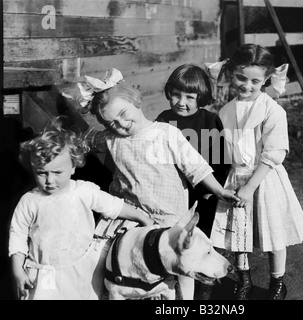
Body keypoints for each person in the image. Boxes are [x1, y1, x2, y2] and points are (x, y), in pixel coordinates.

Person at [75, 68, 239, 300]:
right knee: (107, 260)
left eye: (123, 113)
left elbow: (196, 167)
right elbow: (86, 141)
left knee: (180, 266)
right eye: (111, 122)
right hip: (130, 217)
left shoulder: (166, 133)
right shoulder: (111, 139)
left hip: (168, 215)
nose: (121, 123)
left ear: (135, 101)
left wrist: (220, 190)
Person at [209, 44, 303, 300]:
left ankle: (278, 282)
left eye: (255, 81)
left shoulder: (273, 110)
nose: (246, 85)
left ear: (266, 79)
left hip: (263, 179)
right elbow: (223, 149)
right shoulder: (225, 111)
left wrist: (250, 187)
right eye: (241, 78)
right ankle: (244, 279)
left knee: (272, 233)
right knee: (238, 233)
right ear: (231, 73)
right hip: (236, 177)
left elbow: (273, 154)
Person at [9, 120, 154, 300]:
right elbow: (18, 236)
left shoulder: (83, 191)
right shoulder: (30, 201)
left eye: (57, 172)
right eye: (41, 172)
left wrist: (143, 218)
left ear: (73, 167)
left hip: (82, 270)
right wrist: (18, 271)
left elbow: (114, 206)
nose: (49, 180)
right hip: (44, 273)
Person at [155, 64, 230, 300]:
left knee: (203, 239)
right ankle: (170, 284)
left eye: (189, 96)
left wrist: (212, 191)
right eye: (176, 95)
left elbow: (221, 162)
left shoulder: (210, 121)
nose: (181, 102)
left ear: (201, 97)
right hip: (174, 193)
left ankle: (205, 284)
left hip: (204, 195)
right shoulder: (163, 121)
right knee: (175, 240)